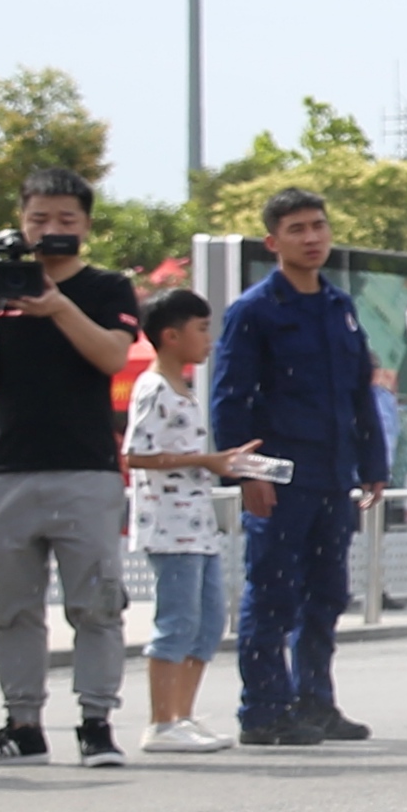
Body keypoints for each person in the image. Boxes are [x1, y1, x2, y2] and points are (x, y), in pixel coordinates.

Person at [0, 164, 147, 768]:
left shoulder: (107, 287)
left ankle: (96, 723)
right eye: (38, 219)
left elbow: (113, 355)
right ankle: (23, 724)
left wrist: (57, 306)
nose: (51, 230)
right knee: (12, 607)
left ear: (86, 224)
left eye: (65, 219)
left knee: (96, 604)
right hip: (7, 468)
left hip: (84, 468)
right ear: (20, 223)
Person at [211, 186, 393, 747]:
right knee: (273, 592)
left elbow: (360, 395)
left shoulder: (338, 307)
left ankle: (316, 701)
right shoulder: (255, 312)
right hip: (281, 476)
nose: (311, 238)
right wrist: (250, 474)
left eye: (318, 226)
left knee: (326, 594)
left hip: (333, 476)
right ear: (273, 242)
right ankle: (263, 709)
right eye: (297, 229)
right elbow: (230, 400)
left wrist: (373, 463)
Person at [122, 286, 261, 753]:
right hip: (169, 524)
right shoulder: (153, 387)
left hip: (197, 523)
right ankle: (161, 721)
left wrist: (218, 462)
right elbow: (136, 454)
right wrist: (208, 460)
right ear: (170, 335)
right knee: (177, 619)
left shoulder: (182, 387)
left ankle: (181, 714)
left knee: (207, 622)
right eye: (201, 329)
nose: (209, 339)